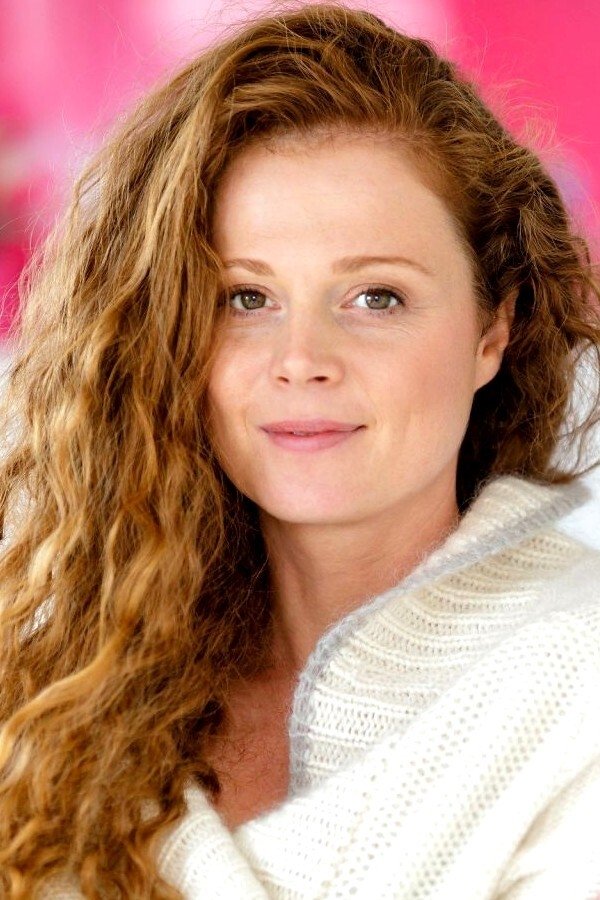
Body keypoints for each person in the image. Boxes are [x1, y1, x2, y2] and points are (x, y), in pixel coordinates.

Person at [0, 3, 599, 897]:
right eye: (245, 299)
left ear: (493, 330)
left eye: (377, 297)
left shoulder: (579, 681)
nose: (302, 360)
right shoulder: (60, 671)